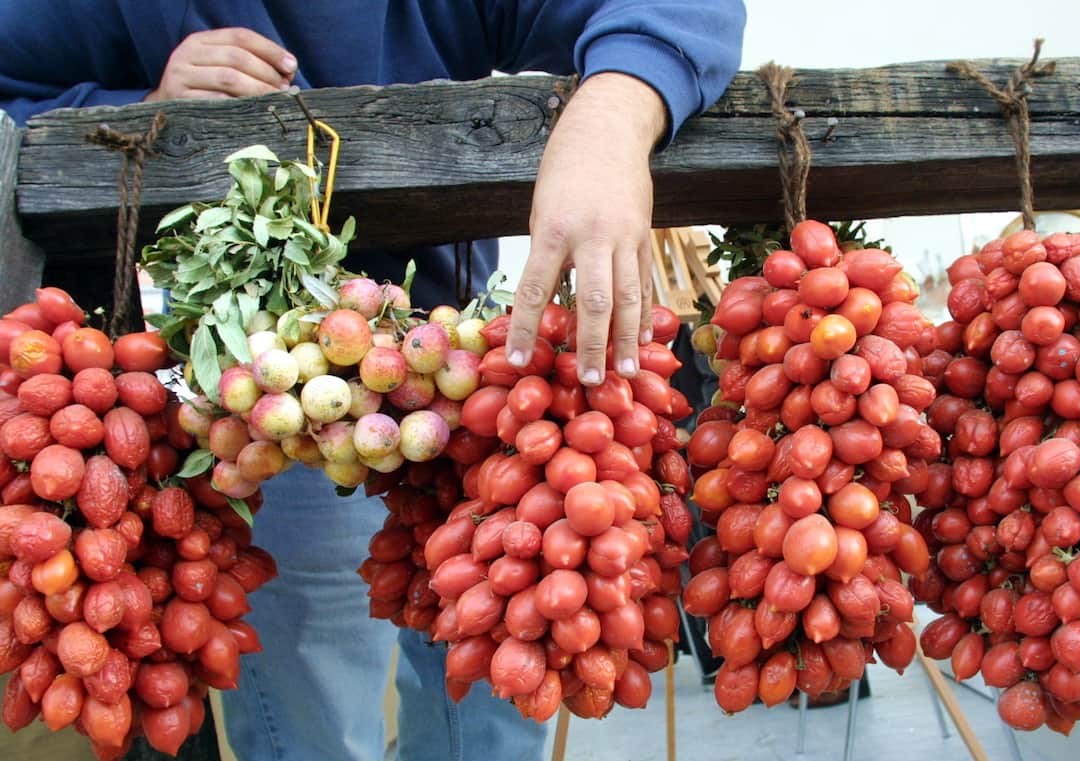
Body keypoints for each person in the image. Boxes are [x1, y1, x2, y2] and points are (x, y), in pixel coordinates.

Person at [0, 3, 745, 760]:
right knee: (316, 706)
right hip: (283, 405)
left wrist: (614, 113)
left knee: (492, 696)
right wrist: (138, 111)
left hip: (461, 371)